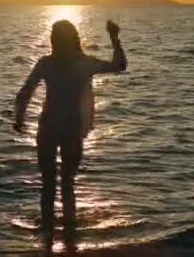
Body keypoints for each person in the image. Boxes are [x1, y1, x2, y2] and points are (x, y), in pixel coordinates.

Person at [13, 19, 127, 253]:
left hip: (51, 130)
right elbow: (120, 65)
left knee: (50, 184)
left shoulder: (49, 63)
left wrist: (19, 118)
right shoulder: (82, 64)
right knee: (65, 184)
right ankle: (68, 238)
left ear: (54, 40)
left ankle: (48, 238)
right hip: (67, 131)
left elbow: (25, 91)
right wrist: (114, 39)